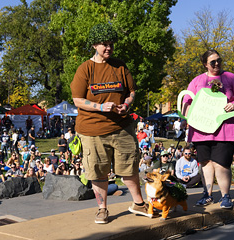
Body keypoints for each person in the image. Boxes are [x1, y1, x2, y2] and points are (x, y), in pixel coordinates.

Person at [71, 23, 150, 224]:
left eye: (111, 44)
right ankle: (102, 209)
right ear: (94, 45)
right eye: (104, 44)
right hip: (92, 129)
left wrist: (127, 104)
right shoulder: (85, 69)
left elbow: (132, 92)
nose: (108, 48)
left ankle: (139, 204)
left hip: (122, 126)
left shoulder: (120, 66)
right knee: (98, 170)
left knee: (130, 167)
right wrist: (99, 107)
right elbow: (77, 99)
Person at [181, 49, 234, 208]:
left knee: (221, 163)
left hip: (225, 128)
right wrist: (185, 118)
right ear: (205, 64)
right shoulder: (197, 80)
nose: (217, 64)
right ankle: (207, 195)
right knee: (205, 163)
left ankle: (225, 196)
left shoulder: (231, 78)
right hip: (200, 129)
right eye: (213, 62)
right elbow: (187, 100)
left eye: (219, 60)